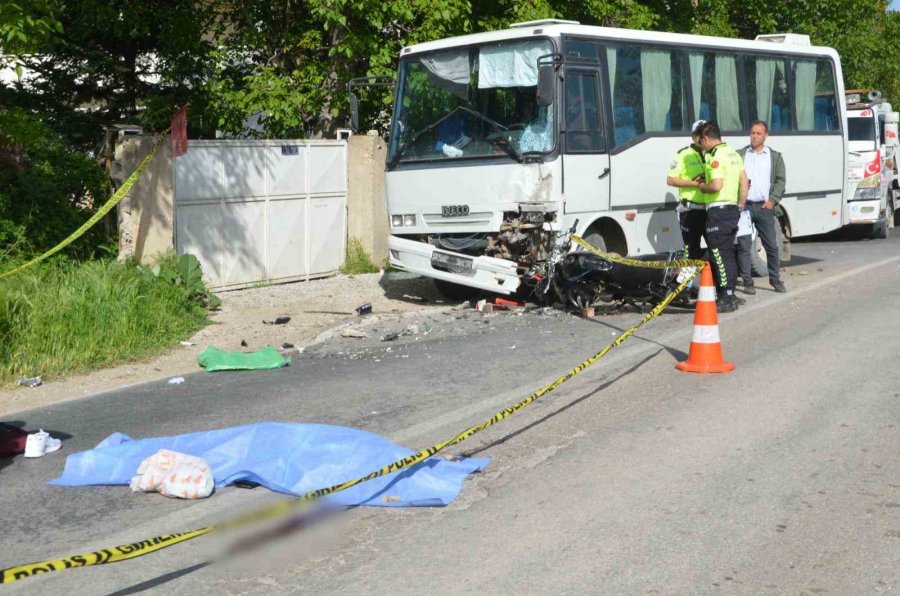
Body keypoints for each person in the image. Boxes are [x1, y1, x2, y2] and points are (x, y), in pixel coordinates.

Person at [696, 121, 749, 312]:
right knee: (728, 254)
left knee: (718, 255)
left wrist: (701, 186)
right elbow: (744, 181)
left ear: (706, 139)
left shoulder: (715, 156)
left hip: (718, 211)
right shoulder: (734, 153)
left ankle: (726, 297)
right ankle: (731, 293)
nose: (701, 146)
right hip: (733, 209)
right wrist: (740, 204)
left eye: (701, 142)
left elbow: (716, 185)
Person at [737, 121, 787, 293]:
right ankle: (747, 283)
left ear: (766, 136)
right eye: (752, 133)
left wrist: (773, 200)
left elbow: (781, 180)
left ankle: (775, 280)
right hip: (745, 208)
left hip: (764, 207)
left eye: (759, 133)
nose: (755, 136)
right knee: (744, 246)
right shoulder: (741, 155)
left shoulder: (774, 156)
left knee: (771, 246)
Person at [666, 120, 711, 264]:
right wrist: (695, 183)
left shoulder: (713, 154)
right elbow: (671, 180)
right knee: (691, 251)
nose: (702, 137)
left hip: (711, 209)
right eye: (699, 134)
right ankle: (688, 284)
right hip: (691, 210)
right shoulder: (683, 154)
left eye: (705, 133)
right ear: (693, 136)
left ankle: (712, 282)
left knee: (716, 249)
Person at [735, 207, 754, 288]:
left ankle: (748, 282)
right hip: (724, 212)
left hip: (742, 214)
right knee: (729, 251)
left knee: (744, 250)